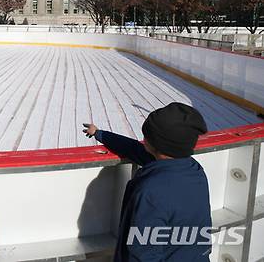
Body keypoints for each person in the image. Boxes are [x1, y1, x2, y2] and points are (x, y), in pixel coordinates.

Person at [82, 102, 211, 261]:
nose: (143, 139)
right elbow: (134, 149)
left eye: (146, 136)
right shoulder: (194, 170)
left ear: (155, 143)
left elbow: (143, 253)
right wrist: (99, 133)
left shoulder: (152, 191)